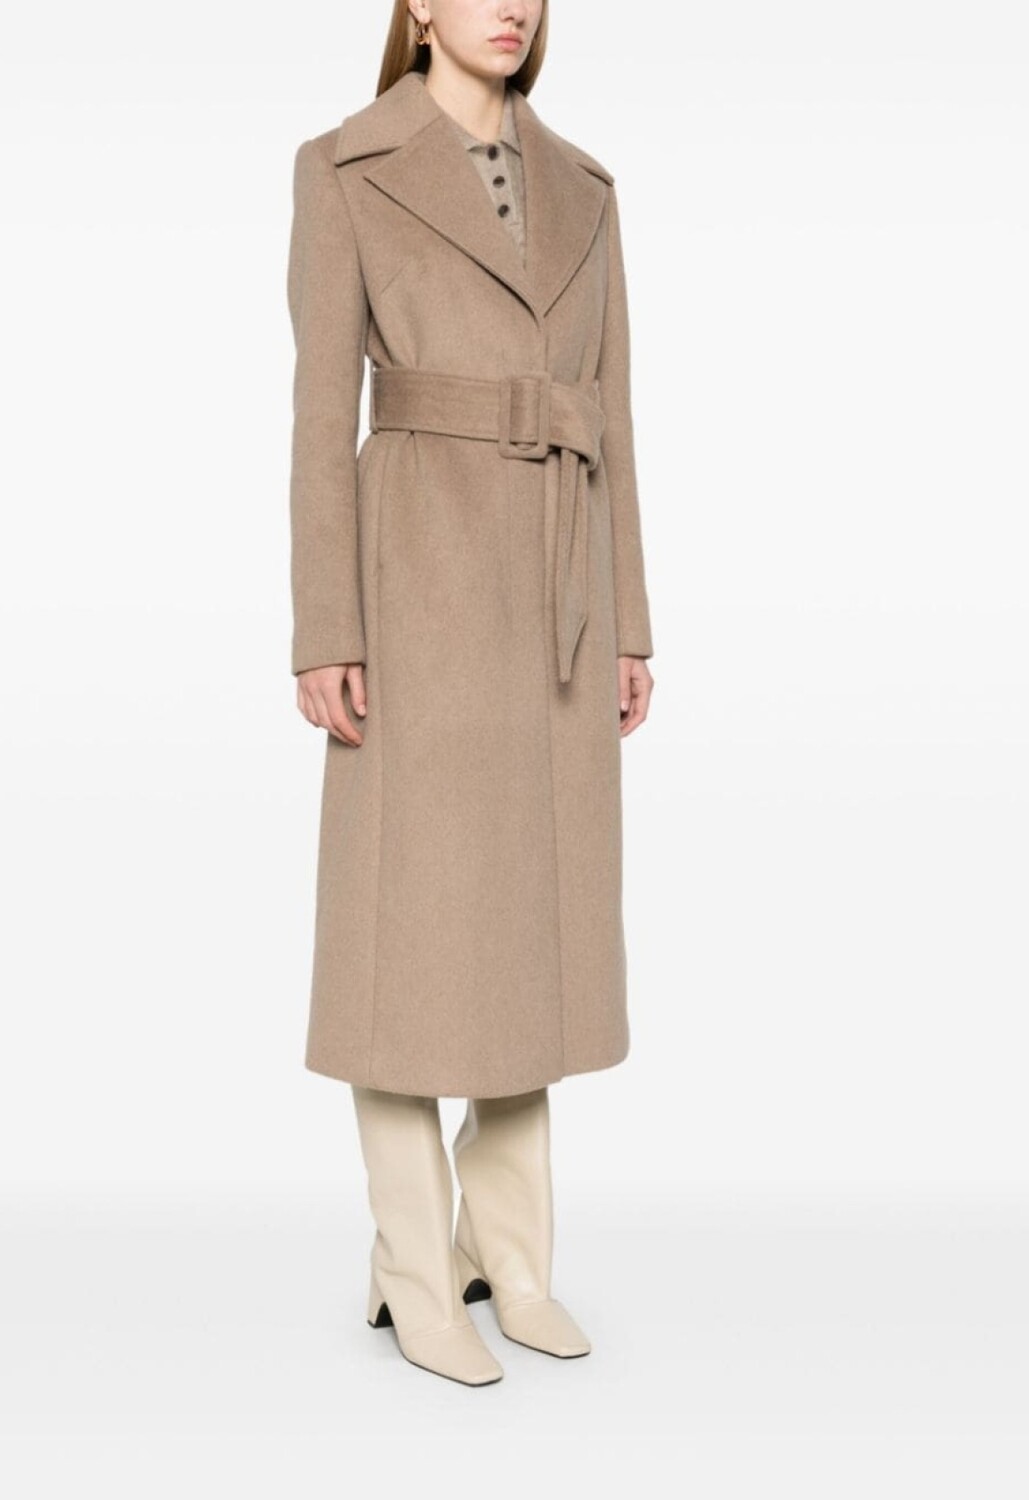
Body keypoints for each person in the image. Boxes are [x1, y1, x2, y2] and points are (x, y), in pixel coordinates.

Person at [286, 0, 655, 1386]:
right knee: (406, 936)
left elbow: (615, 417)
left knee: (529, 931)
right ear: (418, 8)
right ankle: (412, 1270)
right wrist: (326, 626)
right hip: (418, 577)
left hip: (557, 591)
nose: (513, 5)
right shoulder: (344, 167)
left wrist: (626, 621)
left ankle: (513, 1260)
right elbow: (318, 412)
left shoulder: (586, 186)